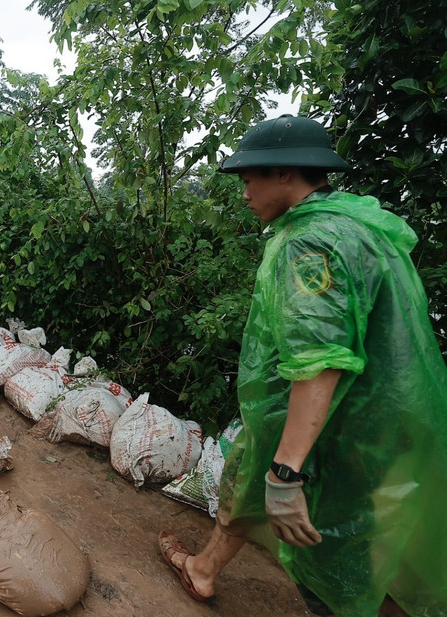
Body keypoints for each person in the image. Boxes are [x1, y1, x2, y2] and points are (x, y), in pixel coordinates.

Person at [158, 115, 447, 617]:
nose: (244, 194)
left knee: (329, 548)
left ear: (284, 173)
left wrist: (287, 471)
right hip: (357, 419)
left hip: (334, 429)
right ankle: (202, 570)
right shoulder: (358, 228)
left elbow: (320, 360)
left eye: (249, 180)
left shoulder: (309, 245)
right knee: (250, 481)